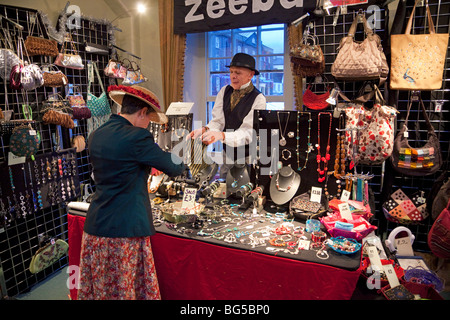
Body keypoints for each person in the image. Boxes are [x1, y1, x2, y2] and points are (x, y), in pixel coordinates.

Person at [78, 85, 185, 300]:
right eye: (148, 119)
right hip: (124, 231)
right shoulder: (137, 137)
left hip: (95, 226)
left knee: (101, 290)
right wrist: (190, 146)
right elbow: (174, 167)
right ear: (142, 113)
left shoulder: (96, 134)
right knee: (123, 290)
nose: (148, 125)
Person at [188, 53, 266, 178]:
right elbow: (218, 122)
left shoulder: (259, 98)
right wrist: (206, 129)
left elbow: (247, 132)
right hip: (227, 155)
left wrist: (221, 135)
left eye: (238, 73)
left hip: (246, 158)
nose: (233, 76)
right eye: (231, 72)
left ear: (250, 75)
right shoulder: (224, 91)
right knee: (223, 189)